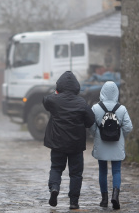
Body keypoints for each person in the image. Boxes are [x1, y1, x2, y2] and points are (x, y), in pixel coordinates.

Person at [43, 71, 95, 210]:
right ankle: (73, 202)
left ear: (59, 85)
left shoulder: (53, 100)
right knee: (76, 173)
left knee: (56, 168)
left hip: (57, 143)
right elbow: (90, 121)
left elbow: (45, 101)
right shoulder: (81, 102)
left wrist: (56, 93)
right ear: (76, 87)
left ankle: (54, 188)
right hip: (76, 145)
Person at [89, 81, 133, 210]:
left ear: (102, 91)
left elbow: (91, 126)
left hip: (101, 144)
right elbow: (128, 127)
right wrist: (121, 136)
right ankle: (115, 196)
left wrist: (96, 135)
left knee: (102, 171)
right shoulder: (122, 109)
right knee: (116, 170)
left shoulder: (95, 108)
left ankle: (104, 199)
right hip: (116, 144)